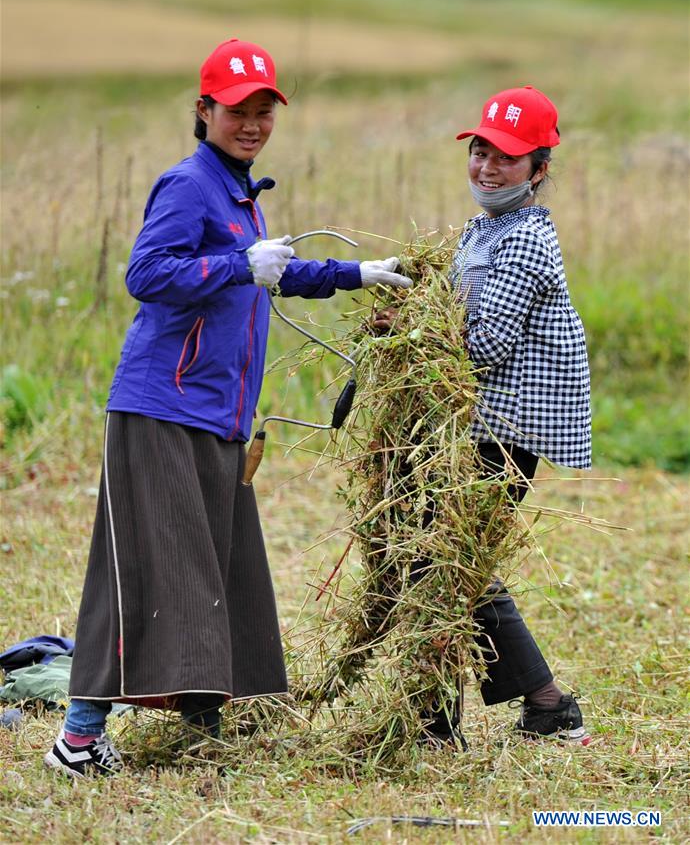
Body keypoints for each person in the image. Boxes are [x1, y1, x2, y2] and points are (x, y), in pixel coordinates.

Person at [44, 38, 412, 778]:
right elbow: (147, 274)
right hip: (160, 407)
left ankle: (202, 720)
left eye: (264, 109)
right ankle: (77, 738)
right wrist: (235, 264)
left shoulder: (238, 192)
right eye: (238, 109)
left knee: (214, 565)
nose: (252, 122)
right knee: (146, 567)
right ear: (204, 109)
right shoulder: (188, 185)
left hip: (218, 414)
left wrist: (357, 273)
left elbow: (274, 272)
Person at [377, 86, 592, 746]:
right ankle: (462, 716)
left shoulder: (526, 240)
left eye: (507, 157)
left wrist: (413, 332)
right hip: (468, 425)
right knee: (440, 560)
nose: (487, 167)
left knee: (448, 562)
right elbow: (457, 308)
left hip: (505, 428)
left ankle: (518, 709)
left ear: (539, 170)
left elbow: (486, 345)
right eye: (480, 151)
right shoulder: (484, 228)